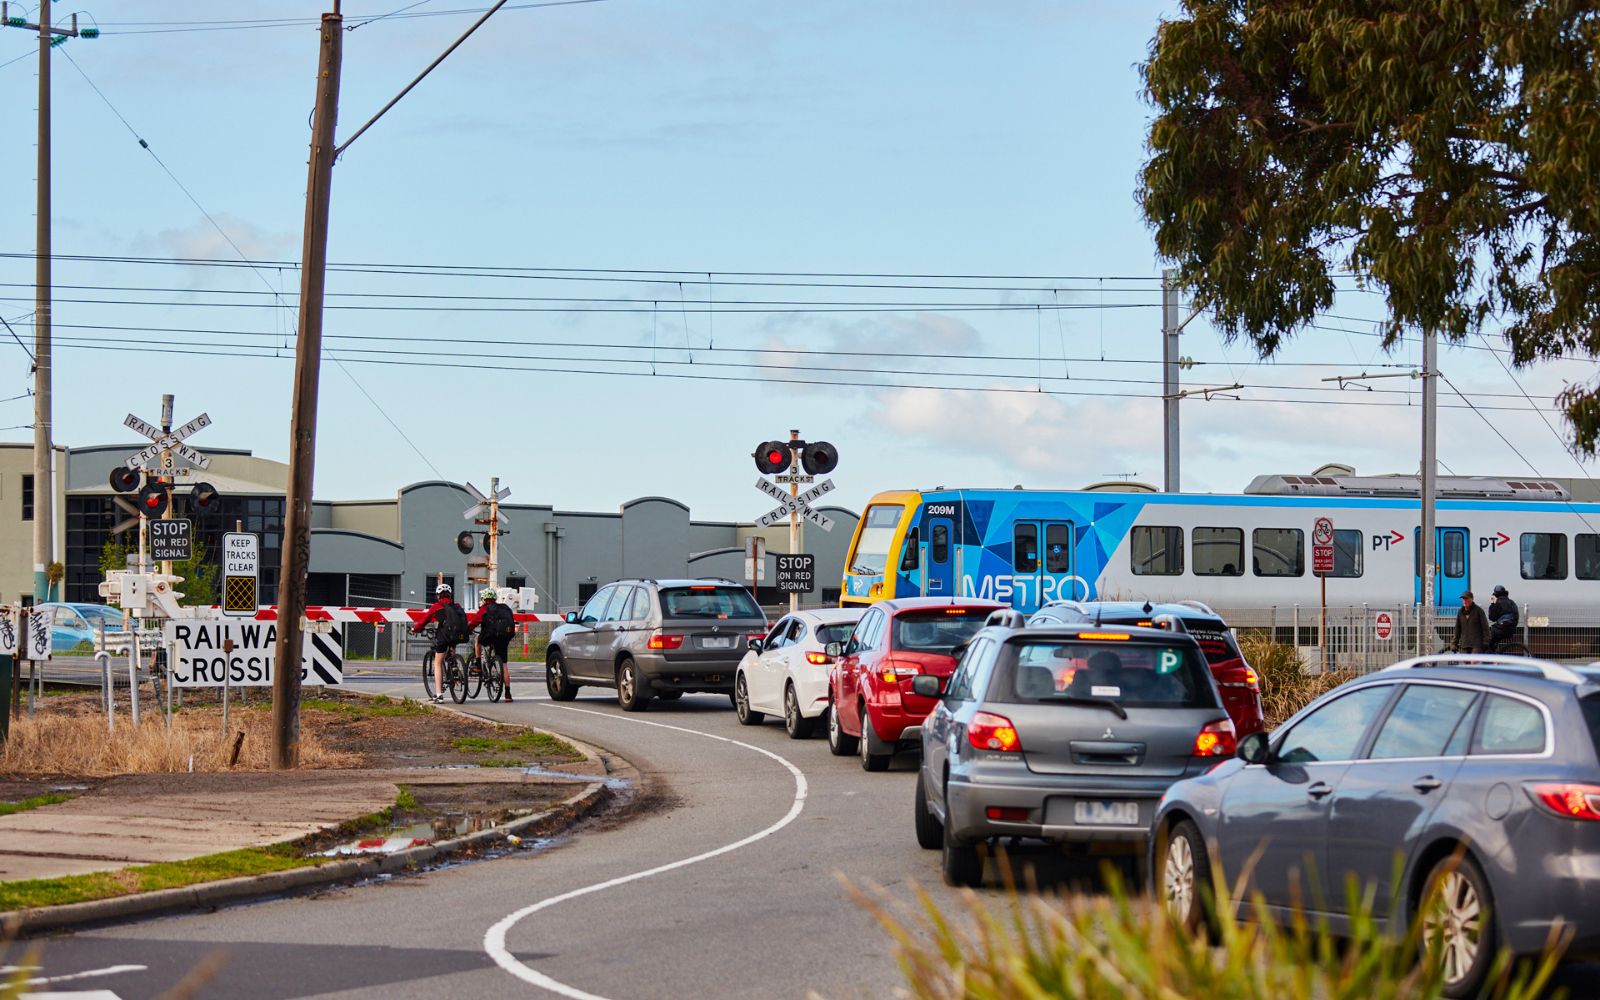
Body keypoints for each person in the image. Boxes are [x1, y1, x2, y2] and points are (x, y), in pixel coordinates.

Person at [412, 583, 468, 702]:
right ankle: (455, 669)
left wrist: (415, 629)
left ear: (438, 596)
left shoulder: (436, 606)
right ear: (450, 595)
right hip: (458, 635)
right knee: (451, 649)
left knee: (437, 663)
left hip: (444, 636)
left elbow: (424, 620)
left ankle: (438, 695)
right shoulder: (457, 606)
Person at [471, 587, 517, 702]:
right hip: (504, 636)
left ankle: (478, 664)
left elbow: (474, 622)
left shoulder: (484, 609)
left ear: (485, 599)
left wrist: (466, 630)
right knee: (504, 664)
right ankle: (508, 694)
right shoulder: (504, 608)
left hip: (490, 635)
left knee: (478, 641)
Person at [1487, 584, 1520, 650]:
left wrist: (1492, 604)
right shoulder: (1512, 602)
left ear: (1496, 594)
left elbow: (1492, 617)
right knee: (1494, 640)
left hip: (1501, 629)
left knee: (1487, 638)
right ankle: (1494, 651)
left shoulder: (1498, 603)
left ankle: (1490, 653)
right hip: (1512, 629)